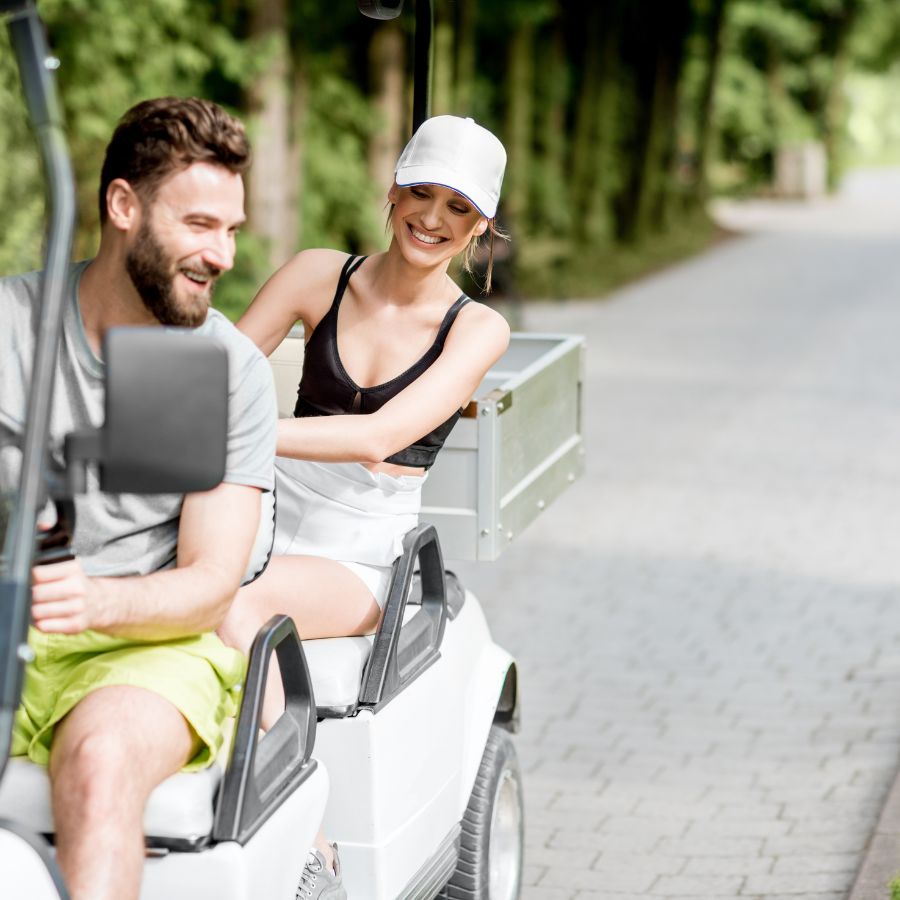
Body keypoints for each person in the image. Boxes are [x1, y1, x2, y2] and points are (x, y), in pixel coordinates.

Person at [217, 114, 510, 899]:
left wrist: (250, 433)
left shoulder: (478, 328)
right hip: (266, 506)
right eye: (421, 194)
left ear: (481, 226)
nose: (434, 219)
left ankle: (307, 844)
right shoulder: (319, 274)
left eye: (460, 208)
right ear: (392, 190)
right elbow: (225, 377)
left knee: (239, 608)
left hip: (362, 553)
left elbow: (381, 435)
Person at [0, 97, 277, 900]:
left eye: (231, 229)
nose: (222, 253)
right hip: (8, 625)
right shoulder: (10, 326)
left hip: (144, 648)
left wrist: (90, 601)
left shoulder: (228, 373)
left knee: (100, 763)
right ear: (123, 206)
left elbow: (210, 584)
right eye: (199, 224)